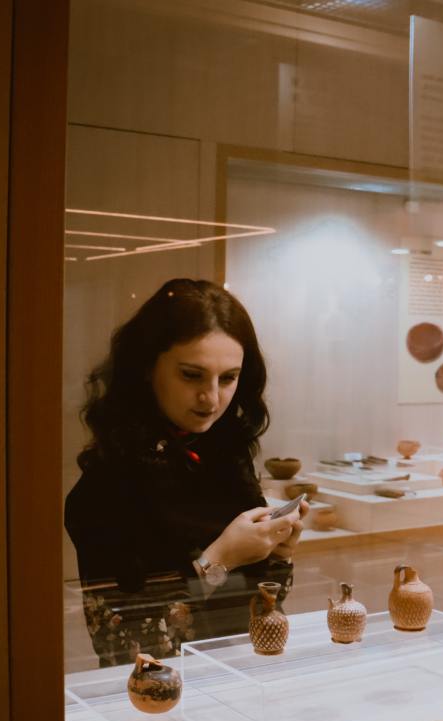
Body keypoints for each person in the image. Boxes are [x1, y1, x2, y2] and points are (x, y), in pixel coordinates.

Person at [65, 278, 307, 667]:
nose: (212, 398)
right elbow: (127, 648)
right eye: (192, 375)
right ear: (147, 368)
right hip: (155, 701)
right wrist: (219, 560)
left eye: (228, 378)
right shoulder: (107, 484)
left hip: (243, 676)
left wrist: (278, 550)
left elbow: (264, 612)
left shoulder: (224, 455)